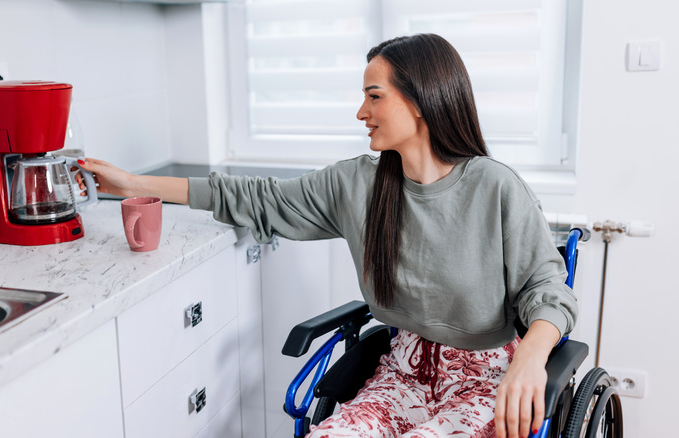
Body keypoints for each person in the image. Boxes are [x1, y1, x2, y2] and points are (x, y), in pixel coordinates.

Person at [76, 33, 577, 438]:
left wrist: (531, 358)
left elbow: (549, 290)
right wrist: (135, 184)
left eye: (374, 96)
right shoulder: (357, 184)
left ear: (421, 100)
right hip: (398, 376)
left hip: (486, 384)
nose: (362, 113)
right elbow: (258, 198)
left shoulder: (495, 187)